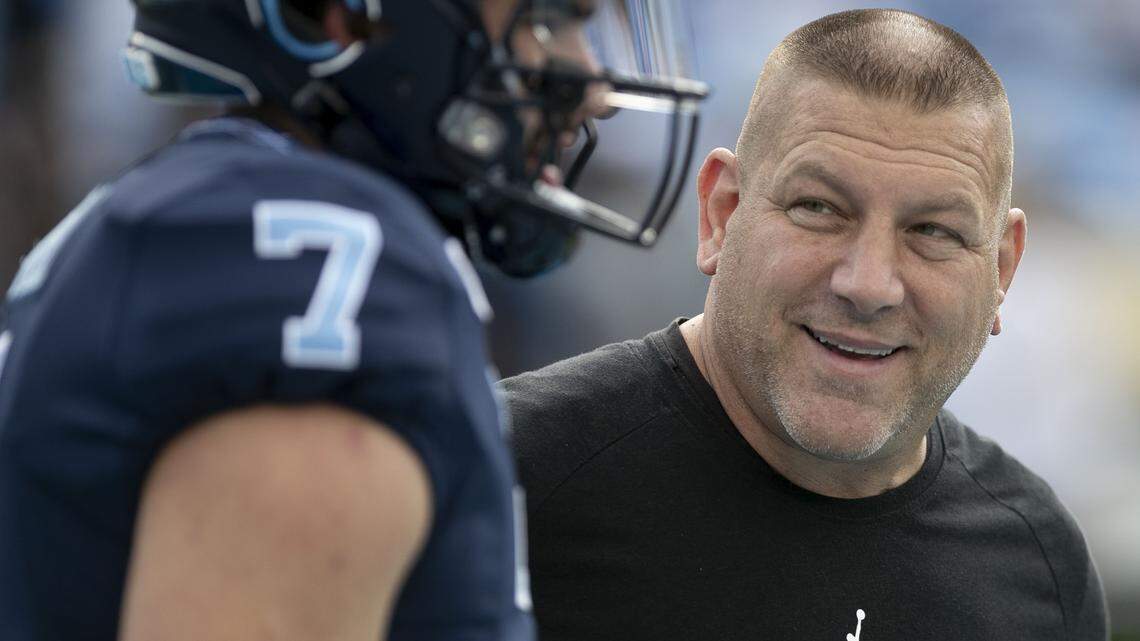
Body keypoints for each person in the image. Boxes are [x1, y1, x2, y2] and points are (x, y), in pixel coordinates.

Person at [0, 1, 707, 639]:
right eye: (545, 22)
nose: (592, 87)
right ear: (343, 20)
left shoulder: (208, 214)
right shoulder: (316, 263)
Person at [504, 9, 1108, 641]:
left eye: (933, 231)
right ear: (721, 215)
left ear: (1002, 270)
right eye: (818, 208)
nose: (869, 285)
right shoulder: (501, 479)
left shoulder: (1037, 563)